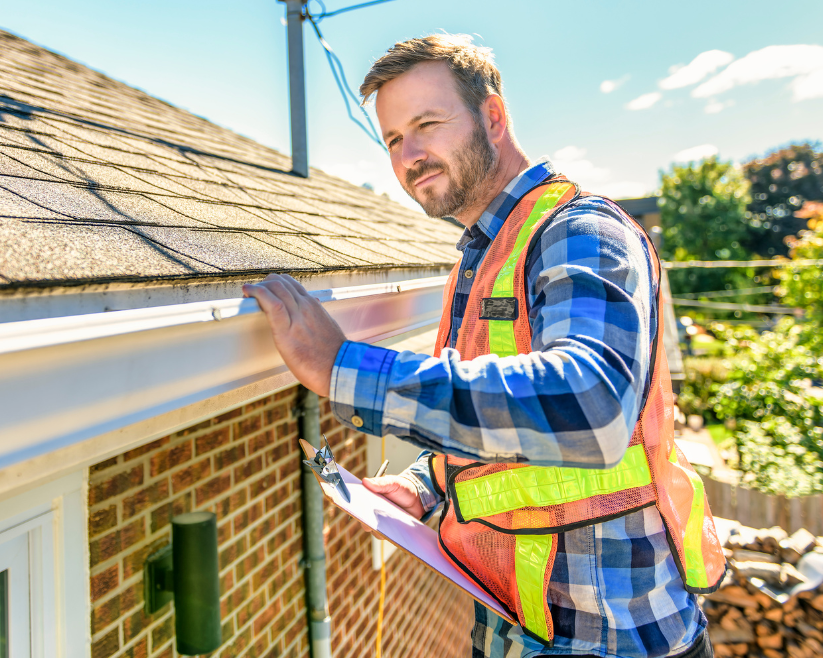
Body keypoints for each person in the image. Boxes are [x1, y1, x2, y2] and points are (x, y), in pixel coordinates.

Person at [243, 34, 724, 658]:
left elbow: (593, 406)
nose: (409, 154)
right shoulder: (483, 256)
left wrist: (342, 368)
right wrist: (426, 484)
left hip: (616, 638)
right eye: (392, 139)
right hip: (518, 629)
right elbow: (507, 424)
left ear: (492, 117)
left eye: (426, 124)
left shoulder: (577, 230)